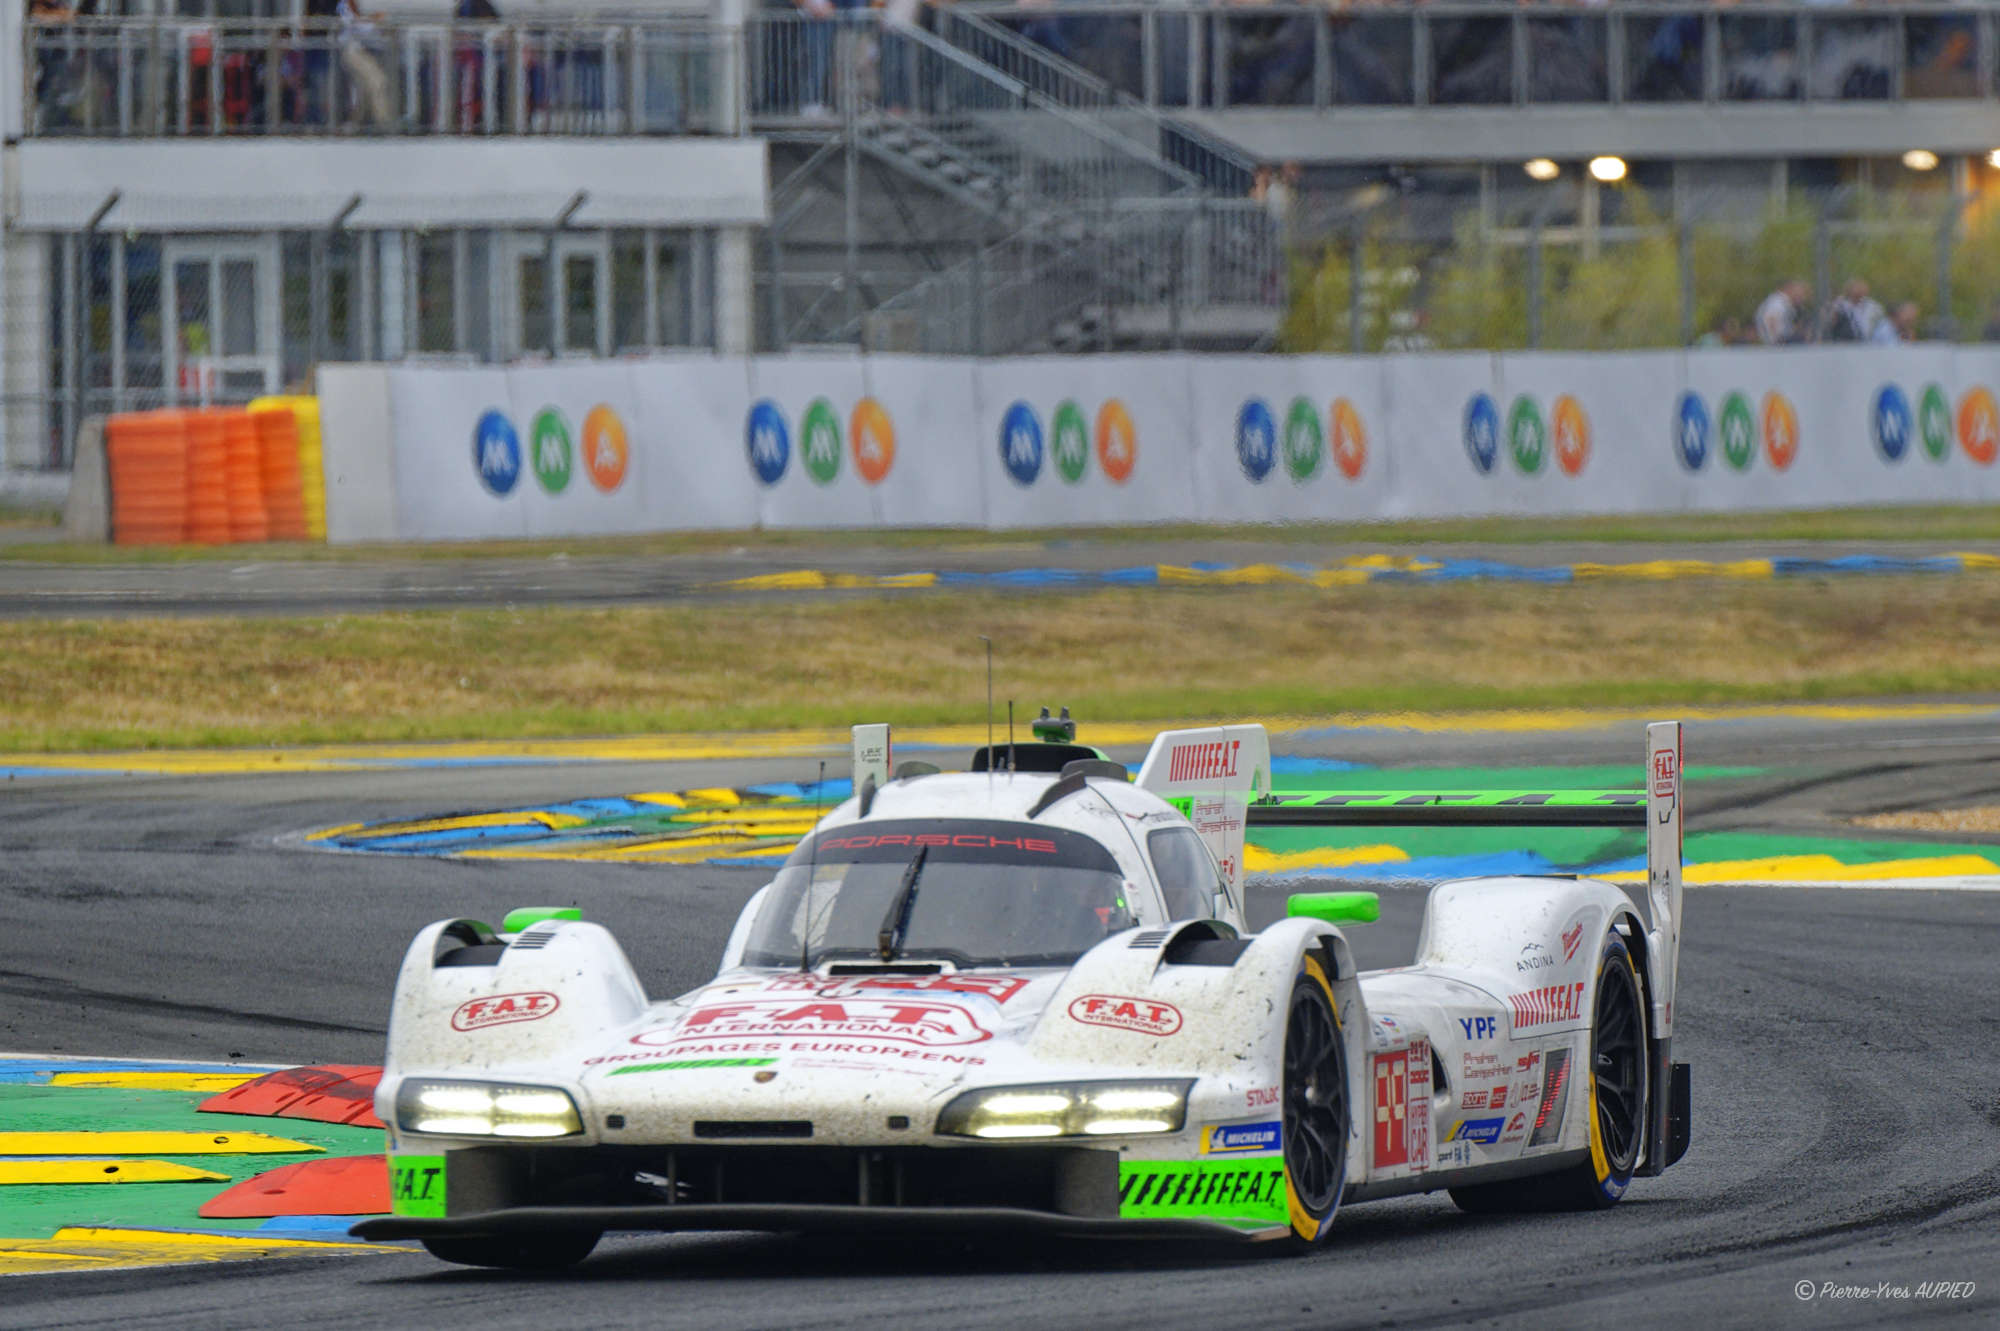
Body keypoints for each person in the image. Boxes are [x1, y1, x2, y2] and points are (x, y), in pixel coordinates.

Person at [336, 0, 394, 129]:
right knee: (378, 80)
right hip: (352, 52)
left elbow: (376, 34)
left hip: (367, 51)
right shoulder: (343, 6)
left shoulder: (365, 5)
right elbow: (357, 26)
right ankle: (384, 122)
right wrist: (375, 20)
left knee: (362, 88)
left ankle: (356, 123)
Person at [1821, 276, 1883, 343]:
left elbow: (1880, 323)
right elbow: (1829, 321)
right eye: (1857, 288)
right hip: (1845, 342)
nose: (1859, 290)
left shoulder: (1873, 306)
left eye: (1861, 288)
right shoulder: (1840, 305)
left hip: (1869, 342)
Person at [1755, 279, 1811, 345]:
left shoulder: (1784, 303)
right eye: (1801, 293)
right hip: (1781, 341)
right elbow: (1770, 320)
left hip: (1782, 340)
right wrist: (1775, 341)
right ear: (1791, 289)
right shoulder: (1778, 302)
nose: (1803, 297)